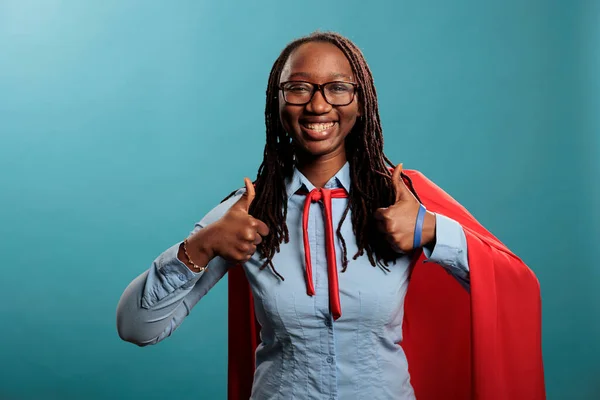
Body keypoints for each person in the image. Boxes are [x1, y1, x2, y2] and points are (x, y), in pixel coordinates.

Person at [117, 31, 545, 400]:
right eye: (298, 88)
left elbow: (513, 288)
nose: (318, 105)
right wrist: (201, 245)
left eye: (337, 88)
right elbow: (137, 328)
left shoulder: (401, 198)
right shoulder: (248, 208)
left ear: (361, 103)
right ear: (278, 102)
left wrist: (432, 231)